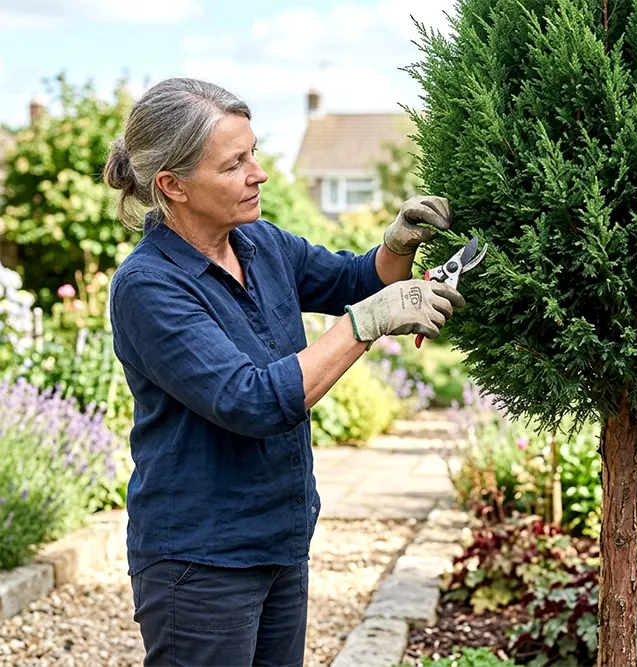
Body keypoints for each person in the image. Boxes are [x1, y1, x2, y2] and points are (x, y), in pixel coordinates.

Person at [104, 77, 465, 667]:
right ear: (173, 186)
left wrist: (397, 245)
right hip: (202, 560)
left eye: (254, 152)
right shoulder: (149, 287)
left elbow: (354, 280)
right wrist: (365, 323)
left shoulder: (259, 242)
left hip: (280, 537)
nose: (258, 173)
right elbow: (251, 401)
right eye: (235, 164)